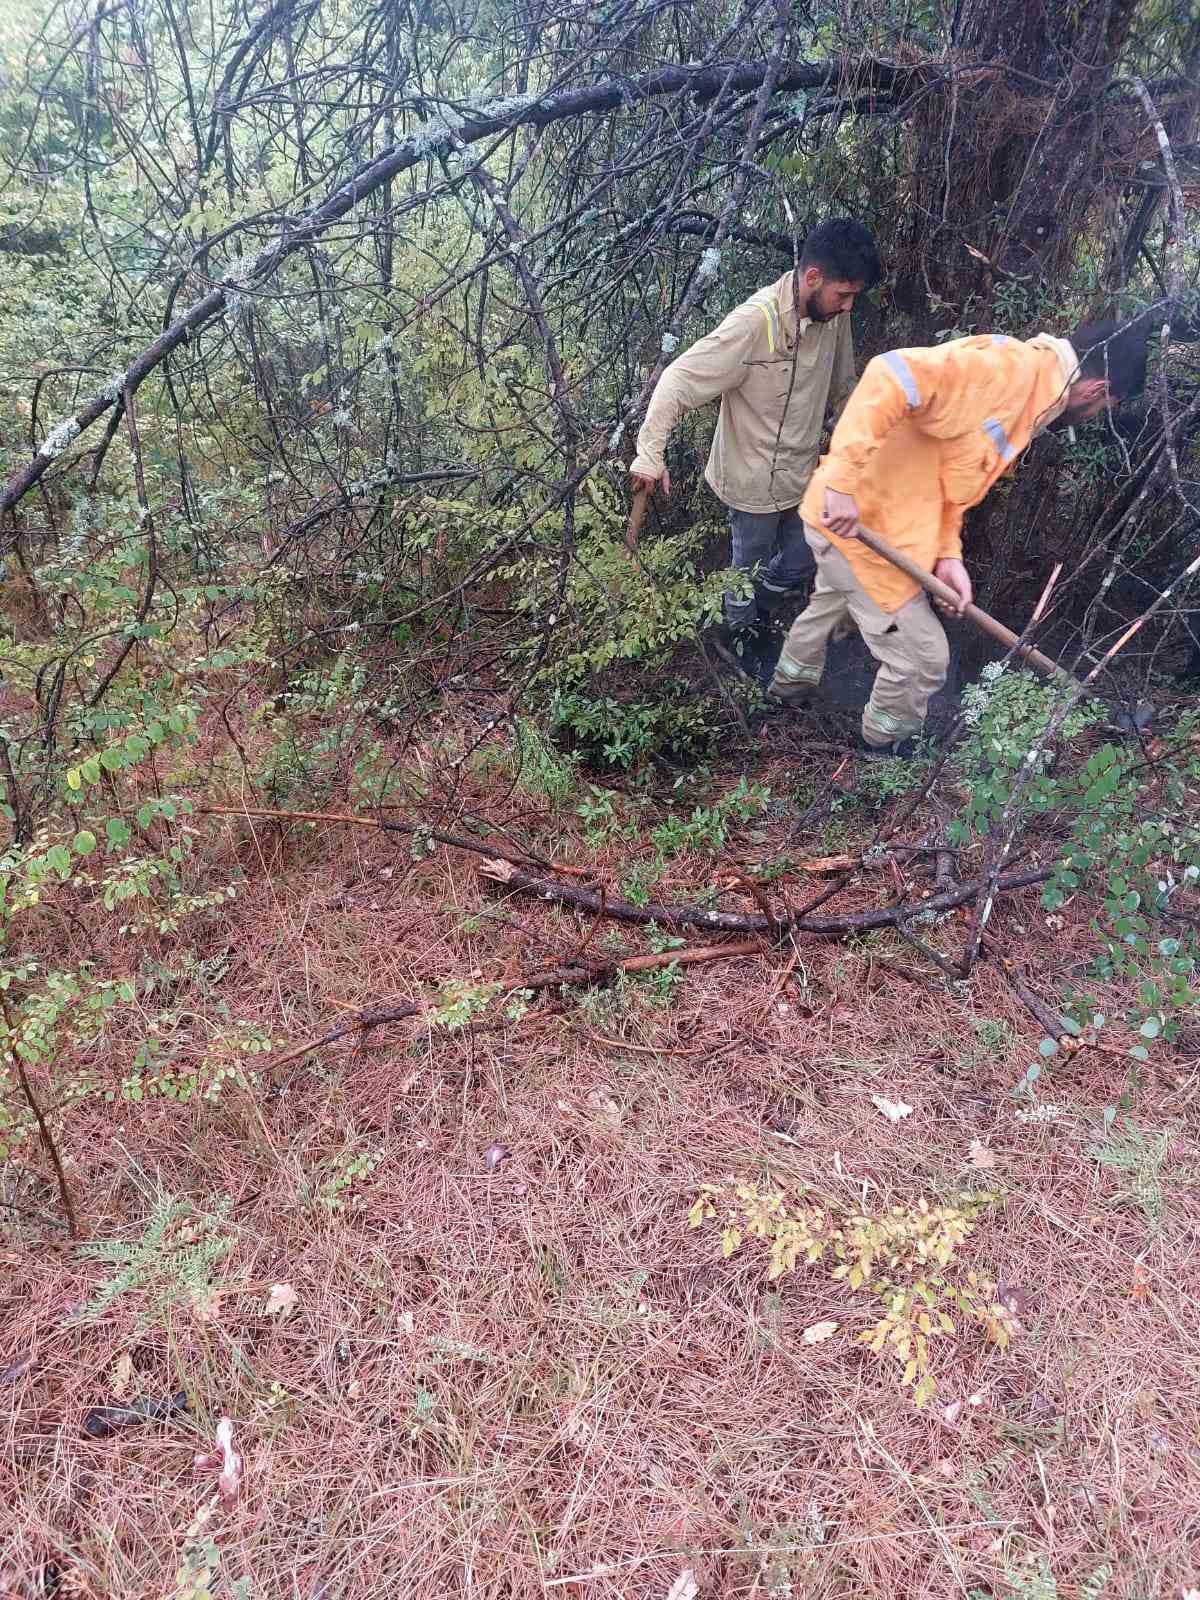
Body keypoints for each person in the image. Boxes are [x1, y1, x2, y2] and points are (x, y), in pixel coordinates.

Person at [767, 318, 1150, 752]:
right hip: (860, 528)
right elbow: (889, 373)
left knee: (829, 604)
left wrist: (948, 556)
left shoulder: (1034, 396)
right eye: (1107, 406)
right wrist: (839, 484)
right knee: (923, 660)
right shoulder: (1010, 374)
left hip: (878, 522)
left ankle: (783, 693)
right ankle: (883, 747)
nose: (1098, 414)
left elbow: (951, 475)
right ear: (1097, 389)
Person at [629, 219, 882, 679]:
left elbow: (845, 390)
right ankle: (741, 638)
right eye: (843, 295)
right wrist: (650, 454)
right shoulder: (754, 322)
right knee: (745, 568)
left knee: (805, 555)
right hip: (750, 482)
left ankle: (762, 610)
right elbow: (678, 380)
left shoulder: (833, 320)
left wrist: (856, 459)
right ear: (812, 278)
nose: (848, 307)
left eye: (853, 298)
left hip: (803, 477)